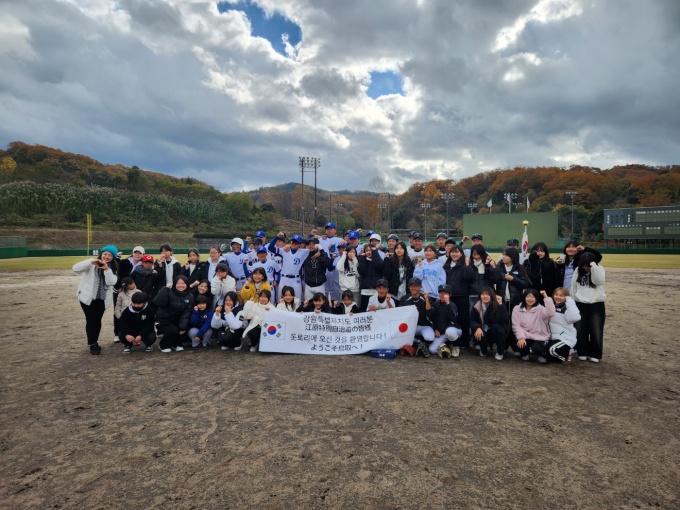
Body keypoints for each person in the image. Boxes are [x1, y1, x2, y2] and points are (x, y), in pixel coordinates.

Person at [73, 245, 119, 355]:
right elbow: (75, 268)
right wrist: (90, 261)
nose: (107, 257)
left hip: (101, 299)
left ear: (113, 257)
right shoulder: (91, 264)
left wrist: (107, 269)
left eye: (110, 255)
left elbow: (112, 282)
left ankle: (95, 341)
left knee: (98, 320)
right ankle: (92, 344)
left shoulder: (113, 267)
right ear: (101, 253)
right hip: (87, 298)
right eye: (105, 254)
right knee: (91, 319)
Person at [571, 252, 606, 363]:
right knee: (581, 329)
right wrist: (572, 302)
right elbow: (573, 288)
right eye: (584, 265)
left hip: (596, 304)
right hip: (581, 303)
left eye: (588, 265)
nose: (586, 268)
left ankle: (595, 353)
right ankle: (583, 351)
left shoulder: (599, 269)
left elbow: (598, 281)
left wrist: (593, 266)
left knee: (596, 329)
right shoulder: (577, 271)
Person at [442, 246, 475, 351]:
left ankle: (464, 342)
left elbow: (469, 277)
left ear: (461, 254)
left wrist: (467, 265)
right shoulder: (446, 266)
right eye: (452, 252)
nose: (454, 254)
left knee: (463, 319)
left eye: (456, 252)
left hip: (461, 296)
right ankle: (450, 341)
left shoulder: (464, 265)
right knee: (449, 319)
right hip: (449, 297)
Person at [511, 289, 556, 362]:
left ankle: (543, 354)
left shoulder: (541, 309)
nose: (530, 299)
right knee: (522, 345)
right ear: (524, 297)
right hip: (525, 335)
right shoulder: (517, 308)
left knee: (537, 348)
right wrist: (521, 337)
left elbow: (551, 313)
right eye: (528, 296)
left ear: (536, 298)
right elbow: (516, 325)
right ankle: (524, 354)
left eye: (532, 297)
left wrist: (546, 297)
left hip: (539, 336)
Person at [153, 275, 194, 353]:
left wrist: (182, 327)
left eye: (183, 283)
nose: (181, 285)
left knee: (184, 327)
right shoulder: (168, 291)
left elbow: (186, 313)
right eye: (178, 283)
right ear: (174, 284)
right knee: (173, 331)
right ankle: (163, 345)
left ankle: (177, 344)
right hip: (163, 320)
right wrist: (165, 289)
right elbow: (157, 302)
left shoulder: (190, 296)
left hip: (176, 320)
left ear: (187, 284)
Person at [113, 245, 145, 342]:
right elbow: (118, 274)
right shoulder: (124, 262)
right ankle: (118, 333)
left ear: (143, 255)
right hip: (119, 291)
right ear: (133, 253)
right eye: (136, 252)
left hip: (133, 292)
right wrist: (120, 287)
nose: (137, 254)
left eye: (140, 253)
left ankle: (132, 333)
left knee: (133, 311)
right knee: (118, 310)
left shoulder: (143, 265)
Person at [470, 287, 511, 360]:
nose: (485, 296)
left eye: (487, 294)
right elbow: (472, 320)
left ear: (492, 296)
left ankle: (500, 352)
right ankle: (483, 350)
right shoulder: (476, 306)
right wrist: (477, 327)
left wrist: (501, 305)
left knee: (498, 328)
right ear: (480, 296)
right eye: (483, 294)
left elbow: (504, 319)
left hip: (495, 330)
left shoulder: (497, 304)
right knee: (478, 331)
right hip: (484, 330)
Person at [268, 232, 310, 300]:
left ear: (299, 244)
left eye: (296, 242)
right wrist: (277, 237)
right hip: (284, 278)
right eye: (292, 241)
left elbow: (314, 247)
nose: (293, 243)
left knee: (297, 301)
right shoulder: (284, 250)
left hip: (296, 279)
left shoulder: (304, 252)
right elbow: (270, 248)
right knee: (281, 300)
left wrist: (311, 236)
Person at [546, 287, 581, 363]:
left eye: (561, 295)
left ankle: (567, 354)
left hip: (565, 338)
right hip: (553, 337)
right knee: (542, 351)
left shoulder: (568, 308)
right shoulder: (551, 306)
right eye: (556, 294)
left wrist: (569, 300)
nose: (558, 297)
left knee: (551, 351)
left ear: (566, 297)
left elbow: (575, 318)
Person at [495, 247, 532, 314]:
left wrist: (513, 279)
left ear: (512, 257)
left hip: (515, 301)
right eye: (503, 255)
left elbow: (525, 284)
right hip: (501, 300)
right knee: (502, 319)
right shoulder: (499, 267)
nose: (503, 257)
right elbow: (494, 280)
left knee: (514, 320)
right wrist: (492, 269)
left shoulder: (520, 268)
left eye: (506, 255)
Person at [399, 278, 436, 346]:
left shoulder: (426, 297)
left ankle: (419, 343)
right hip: (410, 326)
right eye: (411, 286)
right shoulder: (404, 298)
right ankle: (418, 342)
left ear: (420, 287)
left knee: (430, 337)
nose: (413, 288)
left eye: (416, 286)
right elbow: (399, 314)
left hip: (424, 325)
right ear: (409, 287)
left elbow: (430, 313)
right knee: (400, 334)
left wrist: (426, 299)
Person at [433, 284, 463, 357]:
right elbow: (433, 319)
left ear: (450, 294)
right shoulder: (436, 305)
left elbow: (452, 317)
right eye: (441, 293)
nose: (443, 295)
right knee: (432, 350)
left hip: (454, 330)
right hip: (442, 332)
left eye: (445, 293)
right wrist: (435, 329)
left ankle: (456, 346)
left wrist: (447, 303)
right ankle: (447, 346)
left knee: (449, 332)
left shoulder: (453, 305)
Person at [467, 244, 498, 310]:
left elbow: (494, 279)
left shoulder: (489, 263)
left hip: (487, 294)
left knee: (488, 314)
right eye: (474, 254)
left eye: (478, 254)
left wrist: (487, 265)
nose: (476, 256)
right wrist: (467, 266)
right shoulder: (469, 264)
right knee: (474, 314)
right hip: (473, 294)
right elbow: (467, 278)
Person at [357, 242, 384, 311]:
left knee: (376, 310)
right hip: (365, 291)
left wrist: (375, 254)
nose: (369, 252)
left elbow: (379, 266)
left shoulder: (378, 259)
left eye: (370, 250)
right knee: (364, 309)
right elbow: (361, 271)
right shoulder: (362, 260)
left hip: (376, 290)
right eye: (367, 251)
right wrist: (362, 258)